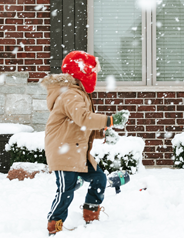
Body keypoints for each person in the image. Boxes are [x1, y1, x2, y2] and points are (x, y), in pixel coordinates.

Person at [41, 51, 128, 235]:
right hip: (63, 151)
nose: (95, 77)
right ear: (82, 72)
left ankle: (91, 214)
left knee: (99, 178)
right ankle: (54, 225)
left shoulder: (78, 92)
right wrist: (110, 120)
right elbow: (83, 118)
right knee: (65, 190)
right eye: (92, 72)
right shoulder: (70, 94)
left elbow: (81, 125)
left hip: (76, 151)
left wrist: (102, 132)